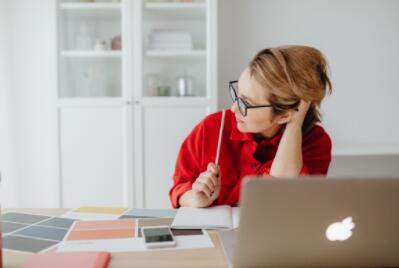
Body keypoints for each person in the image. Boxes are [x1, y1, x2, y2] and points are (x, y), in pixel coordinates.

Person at [170, 45, 332, 208]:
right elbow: (178, 188)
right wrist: (195, 198)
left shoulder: (316, 143)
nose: (234, 108)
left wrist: (294, 125)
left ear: (283, 115)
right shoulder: (211, 127)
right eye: (237, 93)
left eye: (246, 103)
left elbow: (281, 192)